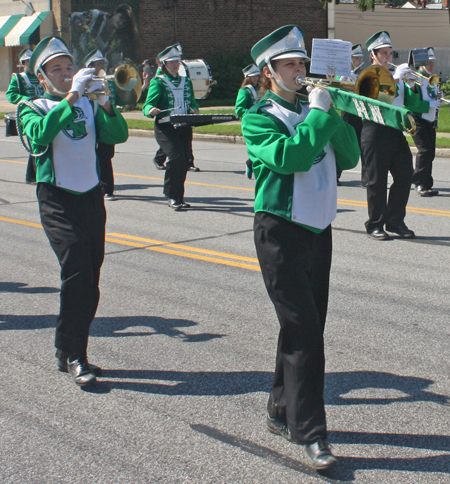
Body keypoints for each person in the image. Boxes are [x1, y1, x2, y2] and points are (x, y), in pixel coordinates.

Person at [241, 25, 360, 471]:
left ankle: (279, 407)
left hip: (318, 229)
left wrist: (335, 111)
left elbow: (348, 158)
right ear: (269, 73)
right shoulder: (259, 115)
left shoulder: (317, 108)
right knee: (305, 331)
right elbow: (289, 158)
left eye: (302, 63)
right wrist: (317, 115)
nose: (300, 70)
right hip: (279, 231)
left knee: (304, 327)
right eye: (289, 64)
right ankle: (310, 432)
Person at [19, 36, 128, 386]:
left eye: (69, 68)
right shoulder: (32, 106)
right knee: (77, 269)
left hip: (90, 197)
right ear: (42, 78)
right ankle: (75, 355)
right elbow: (41, 135)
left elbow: (118, 135)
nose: (66, 74)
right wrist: (73, 96)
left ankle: (66, 349)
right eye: (57, 70)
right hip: (56, 199)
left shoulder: (89, 103)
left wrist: (106, 101)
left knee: (90, 278)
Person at [361, 31, 420, 240]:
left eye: (390, 54)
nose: (388, 58)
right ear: (373, 56)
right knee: (377, 181)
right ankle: (375, 224)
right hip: (375, 131)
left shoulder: (398, 77)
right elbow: (380, 100)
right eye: (384, 54)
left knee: (405, 175)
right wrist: (396, 79)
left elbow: (412, 106)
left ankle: (395, 221)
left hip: (395, 131)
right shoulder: (369, 75)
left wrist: (412, 86)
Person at [143, 44, 199, 210]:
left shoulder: (186, 80)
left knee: (184, 161)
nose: (176, 64)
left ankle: (179, 197)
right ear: (164, 64)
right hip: (165, 126)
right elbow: (147, 105)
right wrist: (151, 110)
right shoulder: (158, 82)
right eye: (172, 61)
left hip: (183, 125)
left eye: (178, 61)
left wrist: (194, 109)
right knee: (175, 158)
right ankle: (171, 195)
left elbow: (192, 102)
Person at [84, 49, 119, 201]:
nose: (103, 66)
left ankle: (107, 189)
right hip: (88, 123)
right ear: (91, 66)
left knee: (105, 156)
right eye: (99, 64)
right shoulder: (83, 82)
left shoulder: (108, 81)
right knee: (89, 156)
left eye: (104, 63)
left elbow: (116, 100)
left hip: (104, 123)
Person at [6, 49, 44, 184]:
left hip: (43, 112)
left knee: (40, 145)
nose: (32, 64)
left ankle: (33, 176)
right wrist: (26, 99)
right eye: (29, 61)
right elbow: (11, 95)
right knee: (35, 145)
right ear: (24, 63)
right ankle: (34, 176)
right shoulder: (19, 78)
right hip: (28, 114)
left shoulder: (41, 75)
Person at [411, 47, 441, 197]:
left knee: (431, 152)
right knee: (425, 151)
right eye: (429, 62)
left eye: (433, 62)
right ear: (421, 63)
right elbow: (411, 103)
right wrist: (429, 105)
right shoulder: (416, 79)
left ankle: (426, 183)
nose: (431, 65)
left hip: (429, 120)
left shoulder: (432, 79)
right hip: (418, 119)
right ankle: (420, 183)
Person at [338, 44, 364, 186]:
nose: (359, 61)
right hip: (348, 112)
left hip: (360, 112)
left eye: (360, 58)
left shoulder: (363, 73)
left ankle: (367, 178)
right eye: (356, 58)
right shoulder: (342, 73)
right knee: (344, 144)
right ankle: (336, 174)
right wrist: (344, 78)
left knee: (364, 145)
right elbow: (335, 86)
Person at [235, 64, 260, 179]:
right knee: (255, 147)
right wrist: (251, 114)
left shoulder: (261, 89)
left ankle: (251, 163)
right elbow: (239, 109)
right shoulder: (244, 91)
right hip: (251, 123)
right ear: (248, 77)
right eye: (253, 76)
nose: (256, 78)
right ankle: (251, 164)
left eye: (257, 76)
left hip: (262, 121)